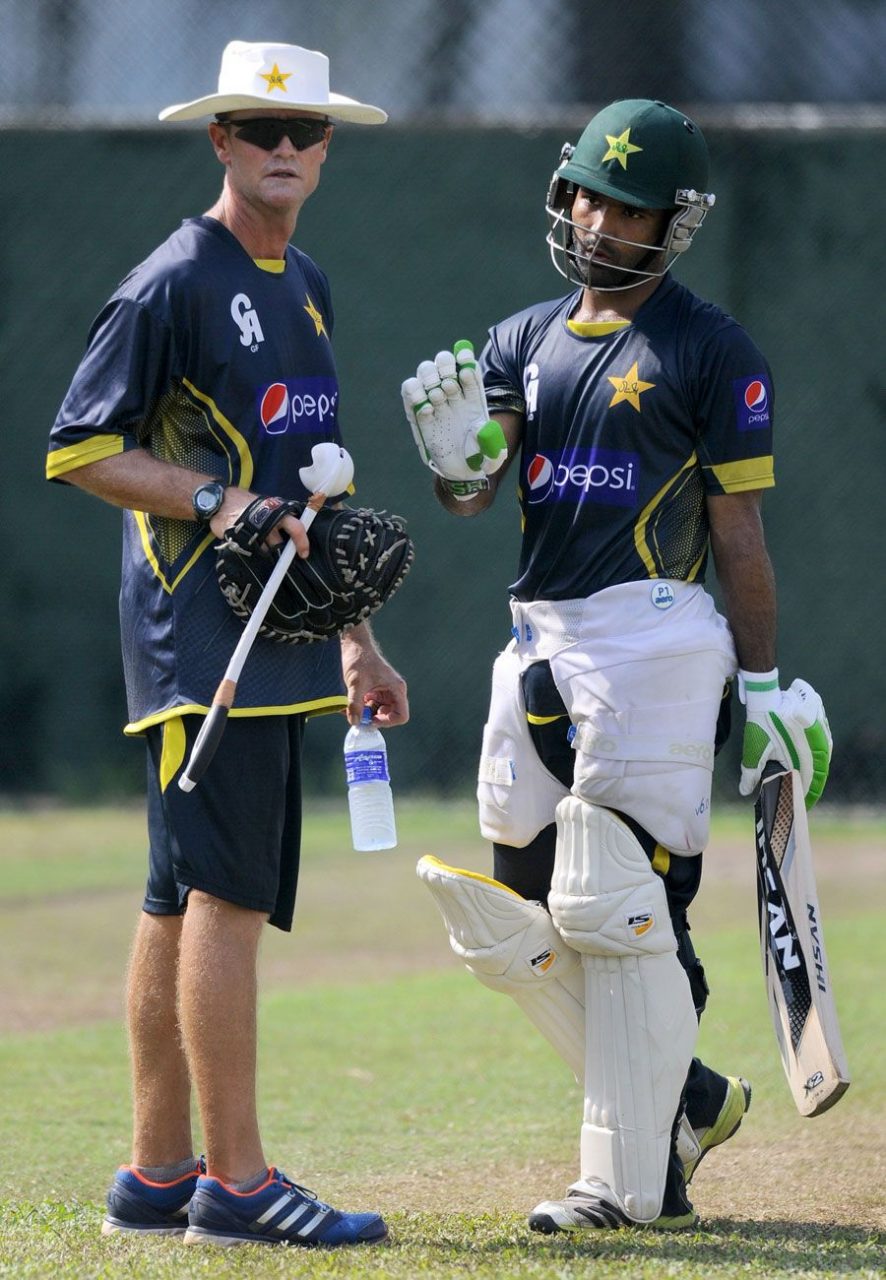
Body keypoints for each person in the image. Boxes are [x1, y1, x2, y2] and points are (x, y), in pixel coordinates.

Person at [402, 98, 832, 1233]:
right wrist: (454, 466)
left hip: (655, 636)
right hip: (537, 634)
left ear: (673, 222)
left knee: (628, 908)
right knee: (516, 909)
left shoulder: (712, 348)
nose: (598, 219)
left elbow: (738, 536)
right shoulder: (518, 338)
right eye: (587, 192)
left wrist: (765, 682)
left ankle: (635, 1175)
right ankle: (686, 1096)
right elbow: (476, 490)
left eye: (627, 205)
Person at [46, 40, 407, 1249]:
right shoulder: (172, 283)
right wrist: (213, 502)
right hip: (204, 633)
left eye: (305, 131)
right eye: (261, 131)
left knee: (176, 896)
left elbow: (318, 489)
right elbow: (81, 446)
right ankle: (240, 1184)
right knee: (229, 895)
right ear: (220, 141)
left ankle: (159, 1170)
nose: (285, 149)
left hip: (273, 635)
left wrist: (359, 636)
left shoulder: (304, 280)